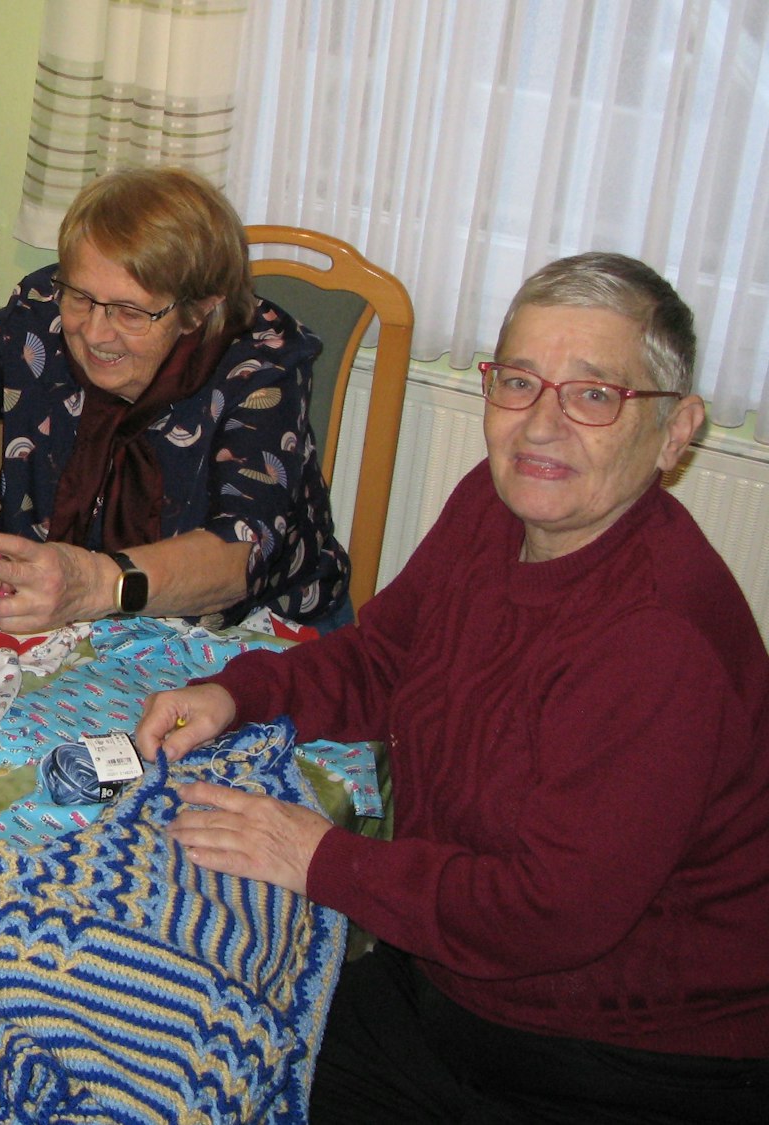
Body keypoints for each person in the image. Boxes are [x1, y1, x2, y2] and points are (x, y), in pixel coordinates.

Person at [134, 254, 769, 1121]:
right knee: (181, 1055)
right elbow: (389, 658)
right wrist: (242, 694)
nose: (541, 426)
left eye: (593, 395)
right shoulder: (494, 506)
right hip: (449, 979)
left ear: (673, 430)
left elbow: (545, 914)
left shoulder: (659, 639)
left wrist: (320, 856)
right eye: (518, 382)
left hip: (616, 1055)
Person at [0, 166, 348, 633]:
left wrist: (93, 584)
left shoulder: (260, 369)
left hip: (255, 644)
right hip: (75, 637)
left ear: (199, 309)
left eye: (132, 313)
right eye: (81, 296)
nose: (94, 333)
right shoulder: (40, 320)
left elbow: (239, 556)